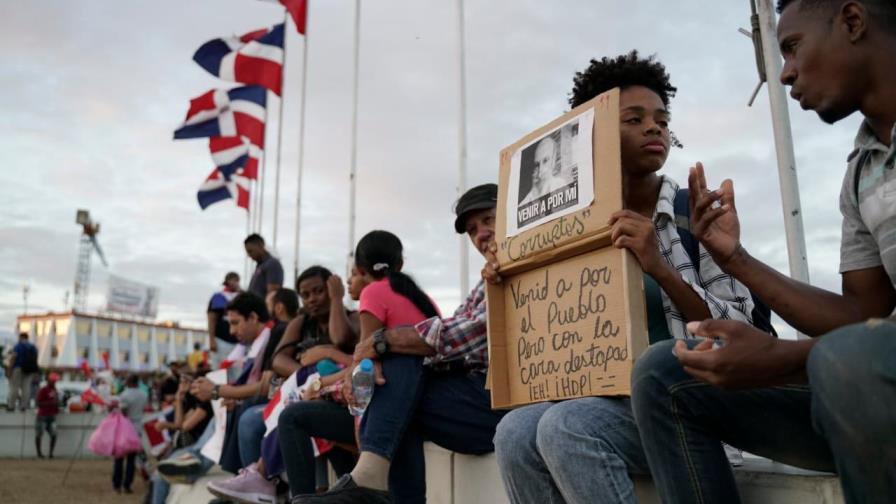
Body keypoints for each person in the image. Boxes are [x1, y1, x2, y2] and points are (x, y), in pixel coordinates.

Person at [630, 2, 896, 504]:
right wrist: (736, 259)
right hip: (862, 391)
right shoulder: (862, 170)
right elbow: (862, 316)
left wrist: (780, 357)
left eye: (792, 47)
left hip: (866, 381)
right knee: (665, 372)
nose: (786, 73)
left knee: (851, 361)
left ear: (853, 22)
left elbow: (860, 346)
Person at [488, 51, 757, 504]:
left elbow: (743, 332)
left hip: (691, 405)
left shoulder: (696, 212)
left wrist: (660, 265)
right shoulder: (567, 226)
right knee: (514, 431)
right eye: (633, 119)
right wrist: (508, 279)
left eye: (662, 120)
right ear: (590, 136)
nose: (655, 128)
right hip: (611, 403)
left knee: (567, 426)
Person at [292, 187, 506, 504]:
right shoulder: (466, 283)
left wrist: (380, 342)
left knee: (388, 364)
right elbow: (451, 337)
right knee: (398, 385)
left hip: (504, 404)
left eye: (488, 220)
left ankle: (367, 482)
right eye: (473, 230)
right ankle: (370, 481)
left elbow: (471, 334)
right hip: (471, 399)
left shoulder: (375, 292)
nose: (480, 235)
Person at [206, 287, 302, 503]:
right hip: (288, 397)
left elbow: (266, 385)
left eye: (235, 322)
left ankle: (257, 486)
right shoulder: (280, 332)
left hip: (293, 399)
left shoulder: (280, 330)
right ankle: (243, 482)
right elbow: (269, 382)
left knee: (249, 417)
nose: (231, 331)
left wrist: (216, 390)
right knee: (238, 410)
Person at [114, 374, 147, 494]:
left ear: (129, 382)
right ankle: (127, 484)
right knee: (131, 459)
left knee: (119, 457)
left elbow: (123, 411)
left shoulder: (125, 395)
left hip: (125, 426)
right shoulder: (143, 394)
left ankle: (117, 484)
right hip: (137, 426)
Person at [520, 135, 565, 205]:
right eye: (537, 164)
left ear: (553, 161)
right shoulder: (527, 200)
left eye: (545, 160)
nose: (540, 170)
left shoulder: (561, 185)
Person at [208, 271, 241, 358]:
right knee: (220, 370)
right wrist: (211, 340)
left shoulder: (242, 296)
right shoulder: (218, 296)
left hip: (239, 341)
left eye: (237, 281)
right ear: (227, 281)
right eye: (232, 280)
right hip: (221, 339)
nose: (235, 283)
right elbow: (211, 319)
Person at [245, 234, 284, 299]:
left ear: (261, 246)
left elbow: (272, 294)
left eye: (250, 251)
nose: (248, 255)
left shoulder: (272, 264)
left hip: (261, 308)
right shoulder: (260, 266)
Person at [7, 332, 39, 411]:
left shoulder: (18, 346)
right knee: (26, 388)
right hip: (30, 370)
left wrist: (9, 369)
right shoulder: (33, 347)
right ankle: (23, 406)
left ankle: (11, 406)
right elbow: (35, 360)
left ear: (21, 337)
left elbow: (13, 357)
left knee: (14, 387)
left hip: (18, 368)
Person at [35, 372, 60, 459]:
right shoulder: (43, 390)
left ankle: (50, 453)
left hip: (51, 415)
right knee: (39, 434)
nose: (54, 382)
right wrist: (50, 403)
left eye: (55, 381)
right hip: (43, 415)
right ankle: (39, 453)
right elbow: (38, 403)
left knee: (54, 434)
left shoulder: (55, 390)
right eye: (53, 381)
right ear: (48, 381)